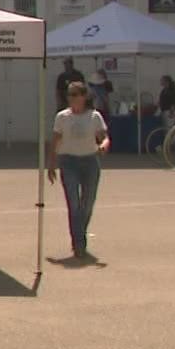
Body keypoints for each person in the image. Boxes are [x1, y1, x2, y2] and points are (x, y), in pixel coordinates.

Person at [48, 80, 109, 262]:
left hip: (90, 160)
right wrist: (51, 164)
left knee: (87, 204)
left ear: (84, 97)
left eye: (76, 94)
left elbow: (104, 136)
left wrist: (104, 145)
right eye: (70, 95)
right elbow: (56, 141)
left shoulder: (94, 116)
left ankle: (79, 233)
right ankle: (79, 243)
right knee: (73, 205)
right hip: (68, 161)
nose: (72, 98)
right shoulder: (62, 117)